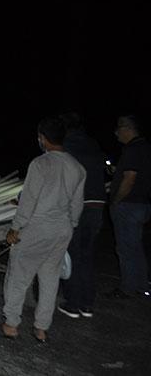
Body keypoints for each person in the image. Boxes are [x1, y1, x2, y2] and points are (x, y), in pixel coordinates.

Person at [2, 117, 86, 343]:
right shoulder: (77, 167)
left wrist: (15, 228)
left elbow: (28, 201)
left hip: (37, 227)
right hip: (62, 229)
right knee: (50, 279)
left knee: (19, 275)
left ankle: (11, 324)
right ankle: (41, 328)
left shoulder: (40, 164)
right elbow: (77, 205)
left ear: (42, 138)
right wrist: (71, 226)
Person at [56, 112, 108, 319]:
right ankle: (87, 304)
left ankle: (73, 303)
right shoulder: (93, 144)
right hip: (97, 205)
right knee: (86, 255)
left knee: (71, 254)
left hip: (78, 205)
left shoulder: (66, 147)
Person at [106, 115, 151, 299]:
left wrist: (116, 200)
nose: (116, 133)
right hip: (143, 203)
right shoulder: (146, 148)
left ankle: (128, 288)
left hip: (129, 205)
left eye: (118, 129)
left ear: (127, 128)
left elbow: (130, 179)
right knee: (135, 246)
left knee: (125, 247)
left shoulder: (133, 149)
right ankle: (141, 284)